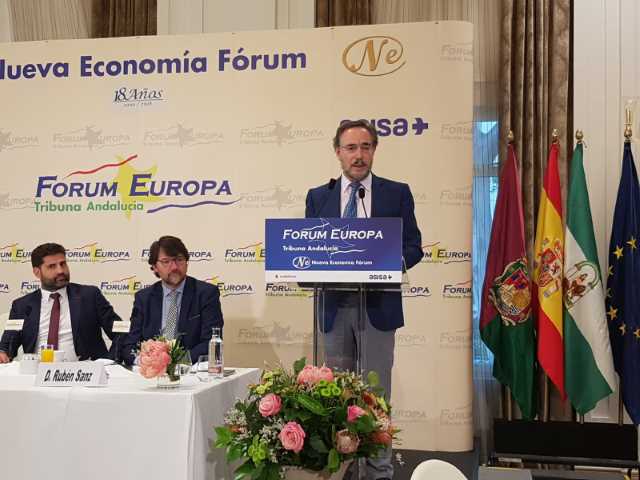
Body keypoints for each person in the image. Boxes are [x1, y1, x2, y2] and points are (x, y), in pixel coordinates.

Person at [305, 119, 423, 480]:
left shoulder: (396, 193)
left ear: (374, 150)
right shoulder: (318, 197)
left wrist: (390, 262)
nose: (359, 155)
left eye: (365, 147)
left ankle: (378, 472)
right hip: (334, 307)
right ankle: (343, 467)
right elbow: (309, 247)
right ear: (337, 152)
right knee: (338, 395)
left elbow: (414, 246)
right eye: (351, 148)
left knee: (375, 396)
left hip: (378, 307)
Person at [0, 242, 121, 362]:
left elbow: (120, 331)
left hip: (85, 370)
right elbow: (8, 344)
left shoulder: (90, 296)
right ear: (37, 272)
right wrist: (3, 353)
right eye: (52, 266)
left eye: (63, 264)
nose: (60, 270)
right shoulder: (21, 306)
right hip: (38, 370)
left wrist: (110, 361)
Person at [120, 235, 223, 365]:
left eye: (179, 260)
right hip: (152, 371)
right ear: (155, 267)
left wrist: (173, 364)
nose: (174, 267)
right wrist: (146, 362)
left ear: (187, 262)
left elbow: (211, 342)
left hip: (190, 370)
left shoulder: (206, 294)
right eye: (166, 261)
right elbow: (130, 345)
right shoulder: (144, 298)